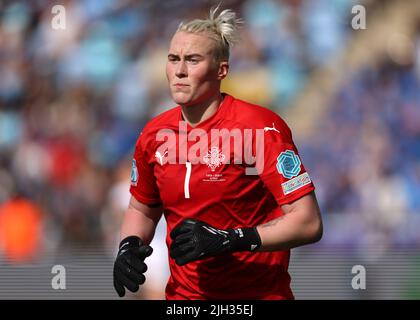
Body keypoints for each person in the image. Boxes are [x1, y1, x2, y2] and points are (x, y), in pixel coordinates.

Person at [113, 6, 323, 300]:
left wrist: (231, 239)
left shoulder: (259, 129)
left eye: (192, 60)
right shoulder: (154, 135)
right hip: (185, 301)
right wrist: (129, 245)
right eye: (173, 59)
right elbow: (141, 209)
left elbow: (308, 222)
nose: (180, 71)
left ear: (221, 69)